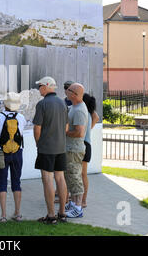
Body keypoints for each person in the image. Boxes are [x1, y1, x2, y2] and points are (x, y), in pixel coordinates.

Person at [33, 76, 68, 224]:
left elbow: (37, 128)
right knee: (60, 178)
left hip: (46, 148)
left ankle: (51, 215)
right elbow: (66, 127)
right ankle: (62, 213)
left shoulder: (42, 104)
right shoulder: (63, 103)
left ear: (47, 86)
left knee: (47, 179)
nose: (39, 88)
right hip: (61, 147)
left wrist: (38, 143)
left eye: (40, 86)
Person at [0, 92, 26, 222]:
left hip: (2, 153)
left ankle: (3, 215)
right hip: (17, 153)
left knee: (2, 182)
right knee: (16, 182)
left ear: (5, 104)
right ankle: (17, 213)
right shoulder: (21, 117)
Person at [64, 83, 88, 218]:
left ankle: (78, 207)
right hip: (70, 149)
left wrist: (65, 132)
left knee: (75, 178)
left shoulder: (79, 110)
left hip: (74, 150)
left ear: (74, 94)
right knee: (70, 178)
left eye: (68, 90)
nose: (66, 92)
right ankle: (73, 204)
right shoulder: (74, 106)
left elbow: (79, 133)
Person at [81, 93, 99, 208]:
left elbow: (96, 117)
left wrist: (89, 129)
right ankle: (79, 199)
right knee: (80, 174)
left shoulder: (84, 112)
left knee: (81, 174)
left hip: (83, 145)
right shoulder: (86, 112)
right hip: (86, 144)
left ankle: (83, 200)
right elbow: (96, 117)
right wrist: (89, 129)